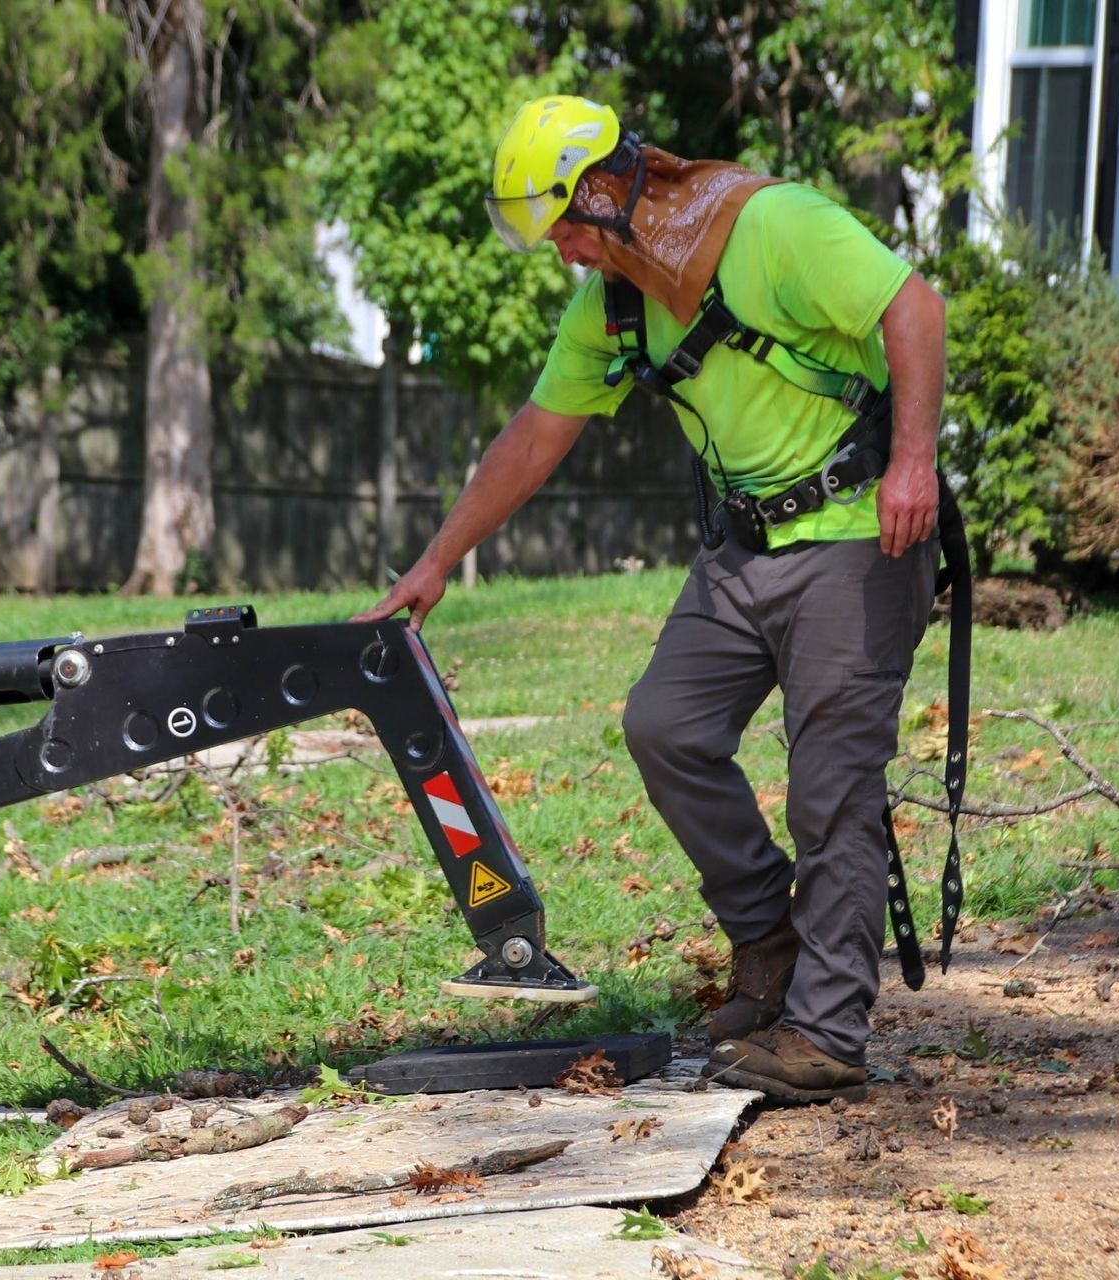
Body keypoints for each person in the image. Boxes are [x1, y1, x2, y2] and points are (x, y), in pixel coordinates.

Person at [355, 95, 952, 1105]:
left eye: (570, 232)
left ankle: (827, 1027)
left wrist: (913, 461)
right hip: (744, 548)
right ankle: (769, 938)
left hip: (857, 534)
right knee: (665, 724)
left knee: (831, 789)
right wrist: (436, 560)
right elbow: (536, 436)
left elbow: (915, 306)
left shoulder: (774, 226)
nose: (566, 258)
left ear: (608, 191)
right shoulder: (616, 301)